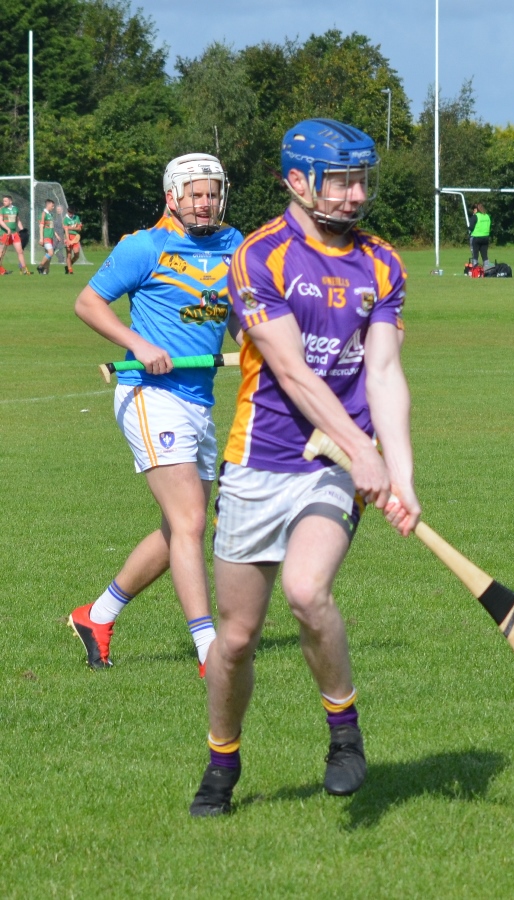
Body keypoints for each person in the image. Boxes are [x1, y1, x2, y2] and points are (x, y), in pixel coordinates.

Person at [189, 118, 420, 818]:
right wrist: (362, 448)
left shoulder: (383, 262)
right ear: (298, 180)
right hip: (260, 460)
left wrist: (399, 473)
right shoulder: (260, 256)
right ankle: (222, 762)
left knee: (308, 591)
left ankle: (344, 737)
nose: (355, 196)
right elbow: (289, 372)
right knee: (235, 638)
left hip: (331, 467)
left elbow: (383, 372)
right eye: (341, 182)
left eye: (360, 182)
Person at [69, 154, 243, 675]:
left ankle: (95, 616)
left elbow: (235, 312)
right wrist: (138, 344)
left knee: (178, 531)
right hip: (148, 393)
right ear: (173, 197)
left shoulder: (234, 245)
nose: (205, 201)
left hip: (199, 396)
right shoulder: (144, 246)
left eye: (211, 192)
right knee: (190, 521)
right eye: (195, 193)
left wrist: (260, 350)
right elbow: (88, 303)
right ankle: (209, 650)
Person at [0, 195, 31, 275]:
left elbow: (18, 221)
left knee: (20, 251)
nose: (4, 202)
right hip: (5, 234)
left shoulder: (15, 209)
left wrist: (22, 230)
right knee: (2, 252)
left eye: (6, 201)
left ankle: (24, 269)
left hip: (14, 234)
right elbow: (0, 221)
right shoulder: (2, 210)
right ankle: (1, 269)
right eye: (3, 201)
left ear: (11, 201)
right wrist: (7, 229)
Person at [35, 198, 57, 275]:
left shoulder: (50, 214)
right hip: (46, 237)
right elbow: (41, 227)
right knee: (51, 253)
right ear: (47, 205)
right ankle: (40, 266)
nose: (53, 207)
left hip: (50, 237)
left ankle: (45, 271)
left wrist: (56, 235)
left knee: (49, 256)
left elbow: (51, 227)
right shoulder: (43, 214)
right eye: (52, 206)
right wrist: (41, 238)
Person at [468, 202, 490, 269]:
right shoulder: (487, 216)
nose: (473, 211)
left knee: (475, 254)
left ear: (476, 209)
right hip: (485, 237)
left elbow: (471, 227)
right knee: (484, 255)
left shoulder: (475, 216)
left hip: (476, 237)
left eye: (473, 209)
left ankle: (475, 269)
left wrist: (468, 228)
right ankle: (487, 269)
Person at [62, 207, 82, 275]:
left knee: (77, 255)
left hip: (75, 237)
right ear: (67, 211)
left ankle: (68, 266)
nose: (71, 214)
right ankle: (70, 270)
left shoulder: (77, 217)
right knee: (69, 254)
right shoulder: (65, 219)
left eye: (72, 213)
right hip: (68, 236)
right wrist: (68, 240)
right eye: (69, 213)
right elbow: (66, 230)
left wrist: (70, 227)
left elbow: (79, 229)